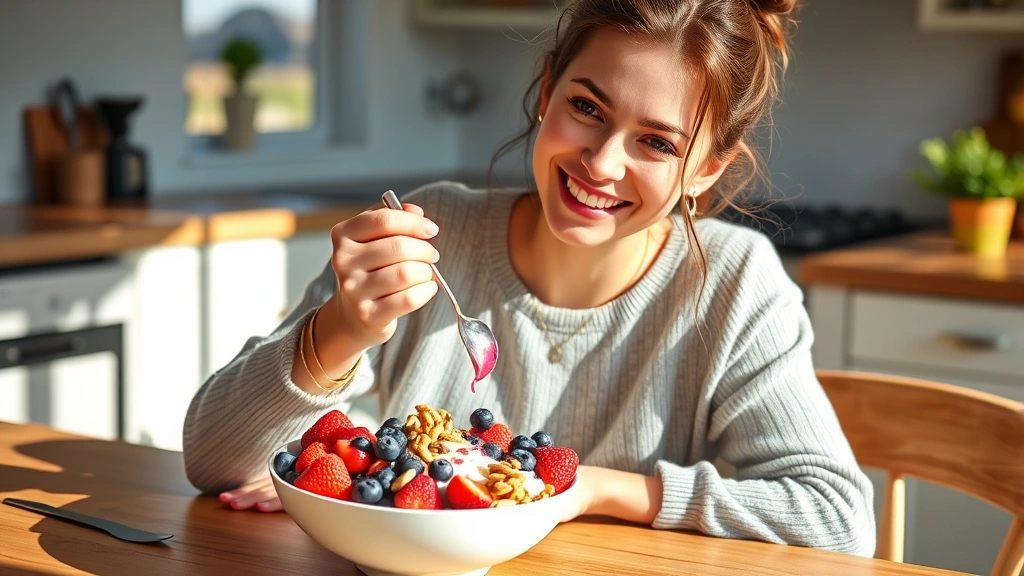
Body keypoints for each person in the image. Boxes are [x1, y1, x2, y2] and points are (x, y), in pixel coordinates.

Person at [183, 0, 876, 556]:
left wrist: (586, 490)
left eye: (657, 142)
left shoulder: (734, 285)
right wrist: (341, 331)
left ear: (706, 170)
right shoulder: (437, 233)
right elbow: (210, 459)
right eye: (587, 108)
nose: (602, 163)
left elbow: (838, 519)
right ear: (547, 92)